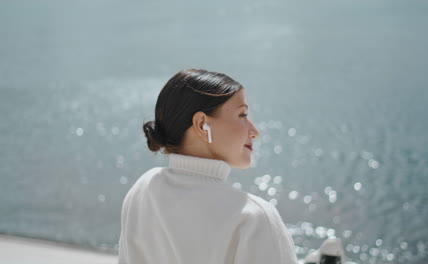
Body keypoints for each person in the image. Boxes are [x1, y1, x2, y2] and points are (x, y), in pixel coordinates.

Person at [117, 68, 299, 264]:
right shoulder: (254, 218)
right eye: (242, 115)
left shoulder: (143, 189)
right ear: (202, 124)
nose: (255, 131)